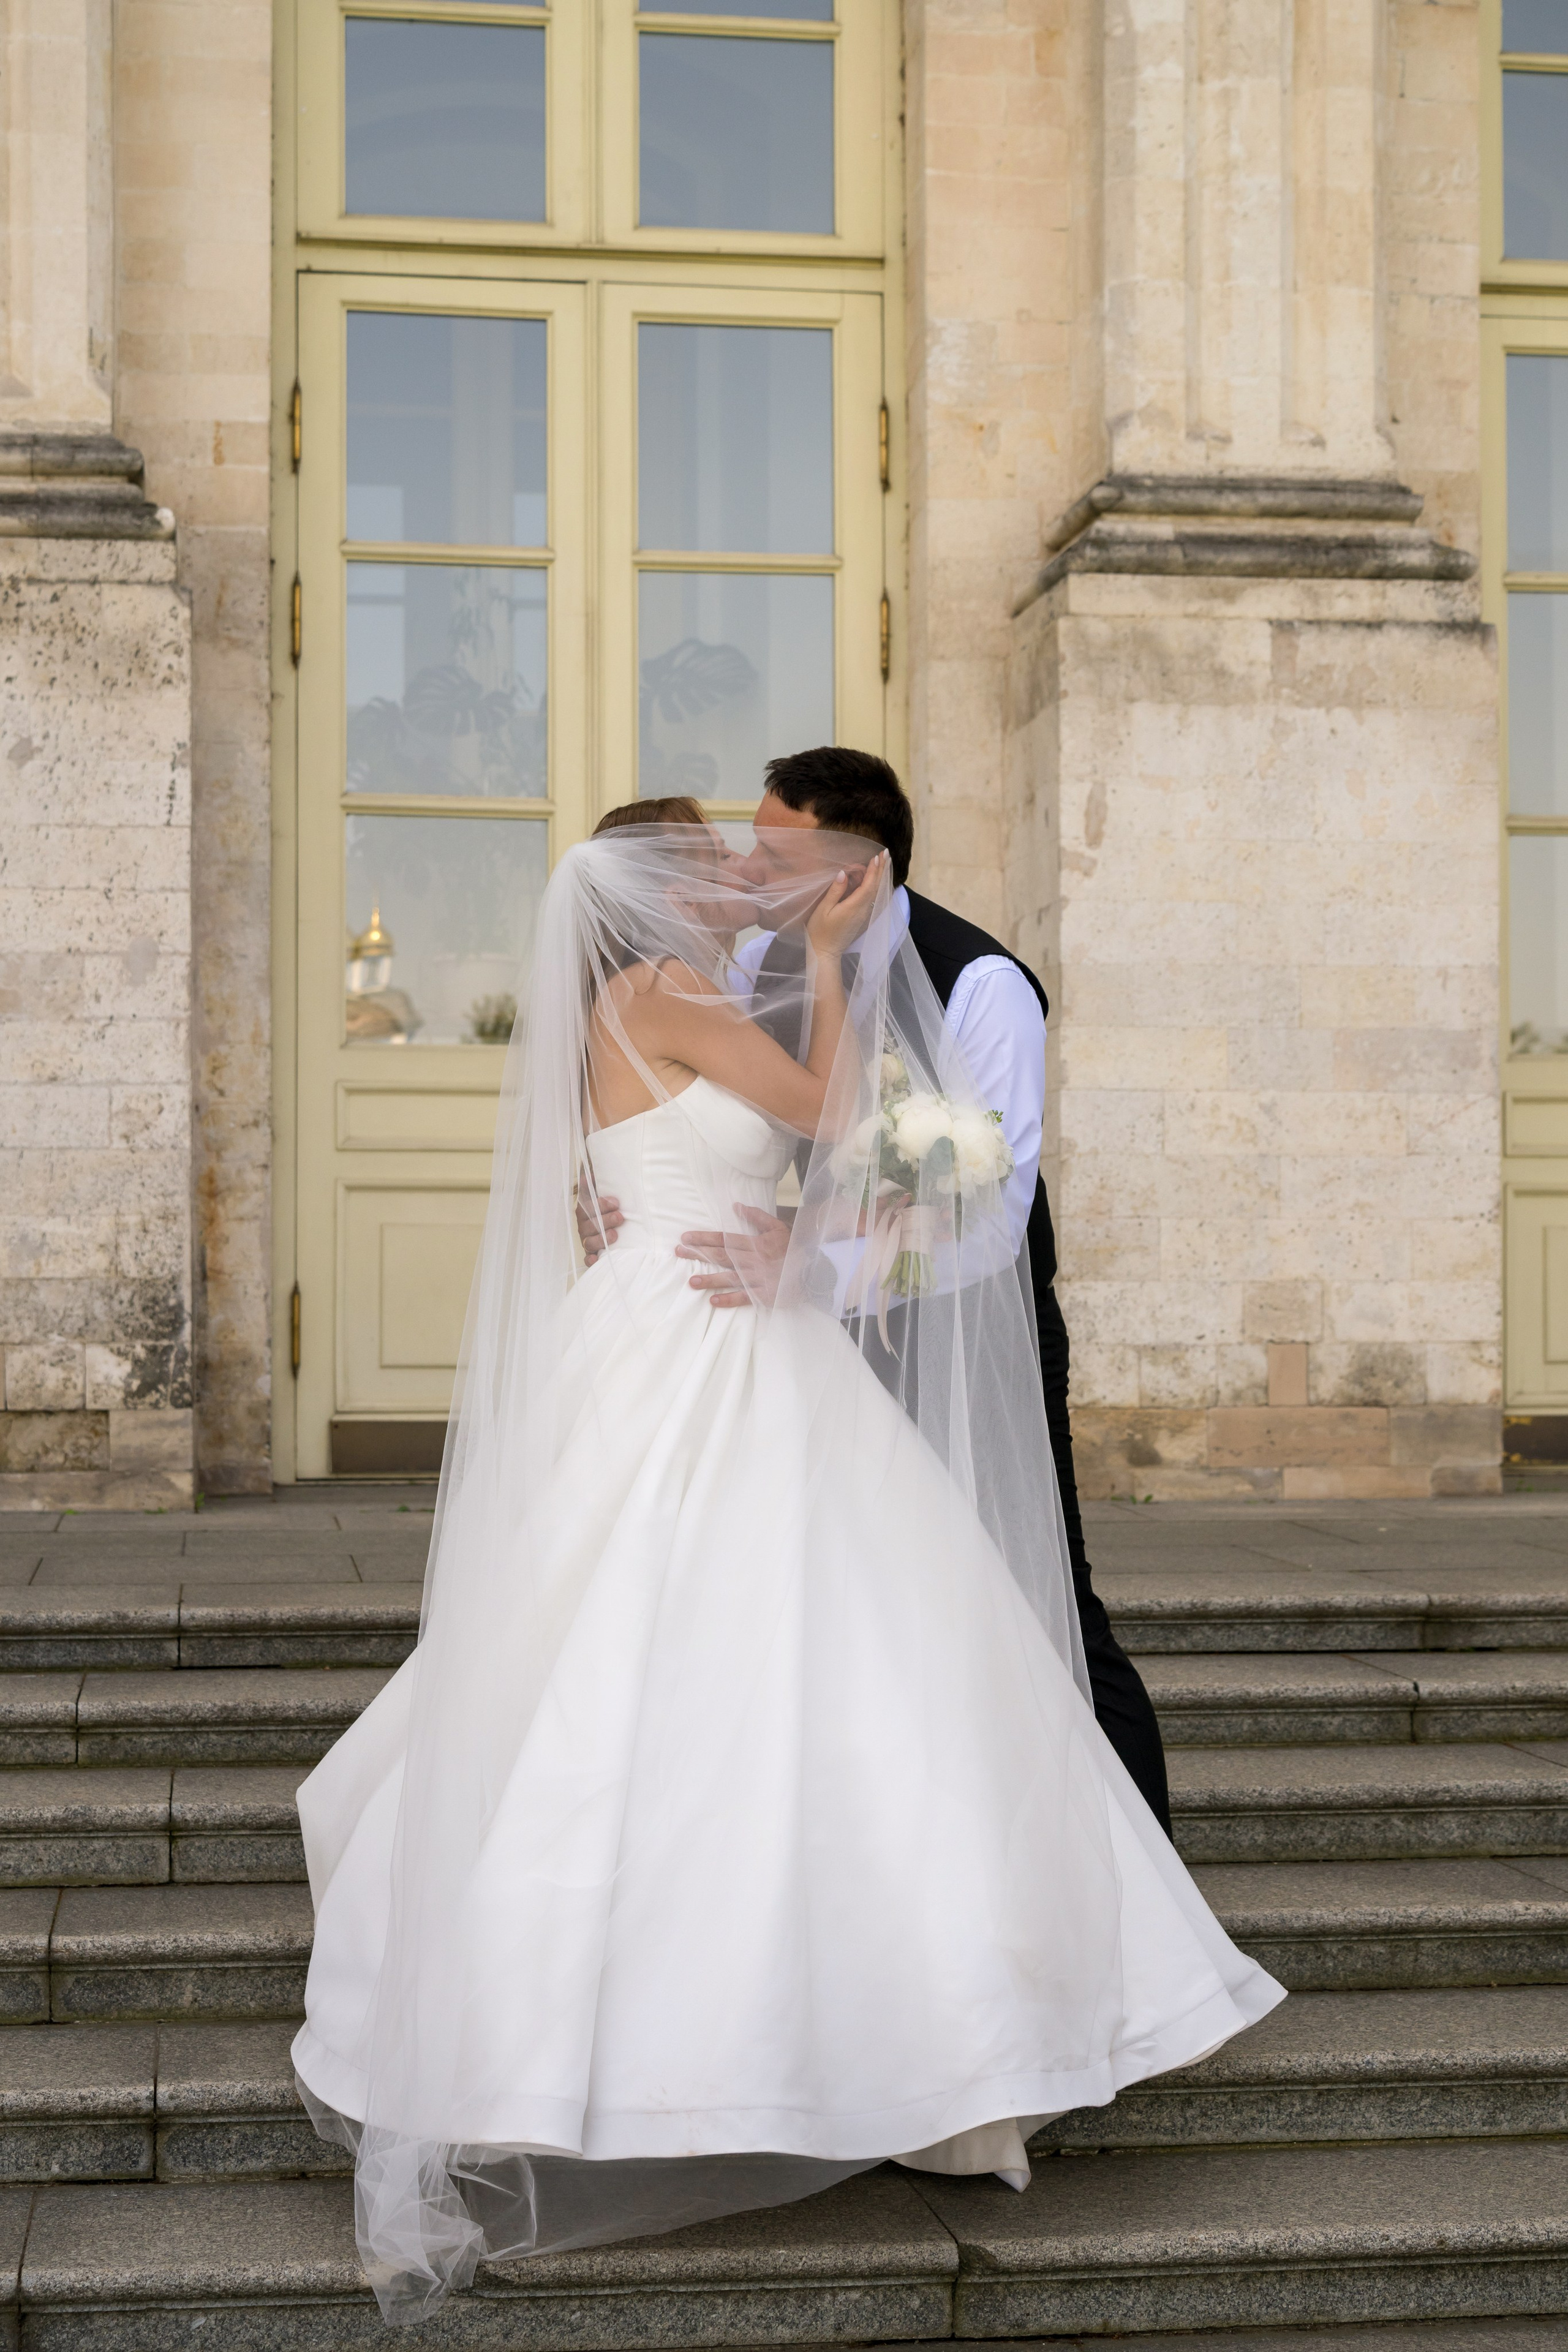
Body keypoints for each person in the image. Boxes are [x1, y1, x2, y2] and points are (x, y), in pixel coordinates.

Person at [292, 816, 1282, 2326]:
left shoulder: (608, 1017)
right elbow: (825, 1114)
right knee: (770, 1666)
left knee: (692, 1663)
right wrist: (827, 963)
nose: (729, 882)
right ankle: (858, 2056)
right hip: (714, 1343)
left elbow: (628, 1188)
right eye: (699, 869)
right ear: (649, 901)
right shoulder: (677, 1001)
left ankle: (832, 2048)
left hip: (668, 1319)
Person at [582, 752, 1172, 1834]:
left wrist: (817, 1271)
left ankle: (1137, 1877)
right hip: (782, 1337)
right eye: (742, 847)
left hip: (962, 1328)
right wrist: (601, 1192)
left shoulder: (983, 985)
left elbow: (991, 1221)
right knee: (847, 1611)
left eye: (773, 850)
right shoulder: (750, 961)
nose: (750, 866)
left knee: (1037, 1598)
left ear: (859, 867)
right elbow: (664, 1104)